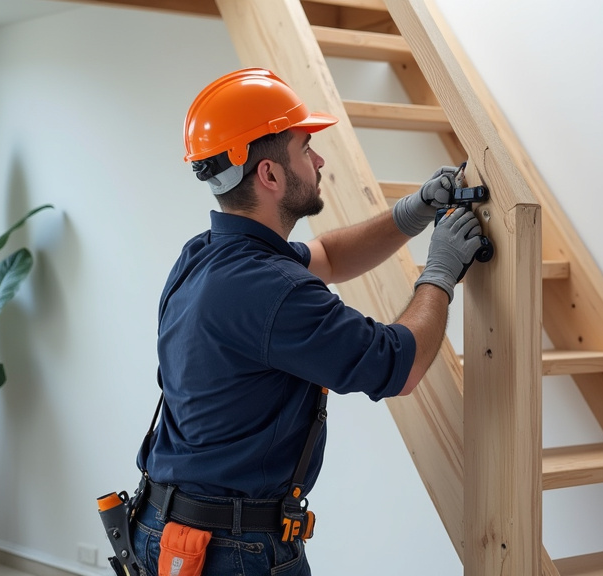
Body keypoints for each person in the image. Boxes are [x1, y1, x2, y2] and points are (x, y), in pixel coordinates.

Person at [130, 68, 486, 576]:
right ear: (270, 175)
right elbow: (399, 367)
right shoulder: (274, 291)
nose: (318, 160)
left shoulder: (207, 255)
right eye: (305, 147)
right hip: (232, 552)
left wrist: (413, 212)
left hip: (166, 526)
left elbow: (328, 256)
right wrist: (441, 272)